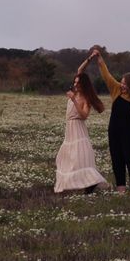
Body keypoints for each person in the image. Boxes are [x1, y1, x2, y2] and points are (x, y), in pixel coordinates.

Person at [91, 48, 130, 197]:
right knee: (117, 161)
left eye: (125, 84)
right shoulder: (117, 90)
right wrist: (99, 58)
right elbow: (106, 75)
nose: (122, 85)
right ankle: (121, 190)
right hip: (114, 132)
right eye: (122, 83)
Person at [54, 53, 108, 194]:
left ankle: (89, 185)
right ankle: (80, 184)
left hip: (78, 128)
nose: (75, 85)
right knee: (66, 157)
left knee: (80, 158)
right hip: (69, 129)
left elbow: (84, 116)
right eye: (75, 82)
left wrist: (74, 101)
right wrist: (91, 57)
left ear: (83, 85)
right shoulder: (76, 92)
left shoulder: (85, 98)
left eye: (78, 83)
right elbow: (80, 69)